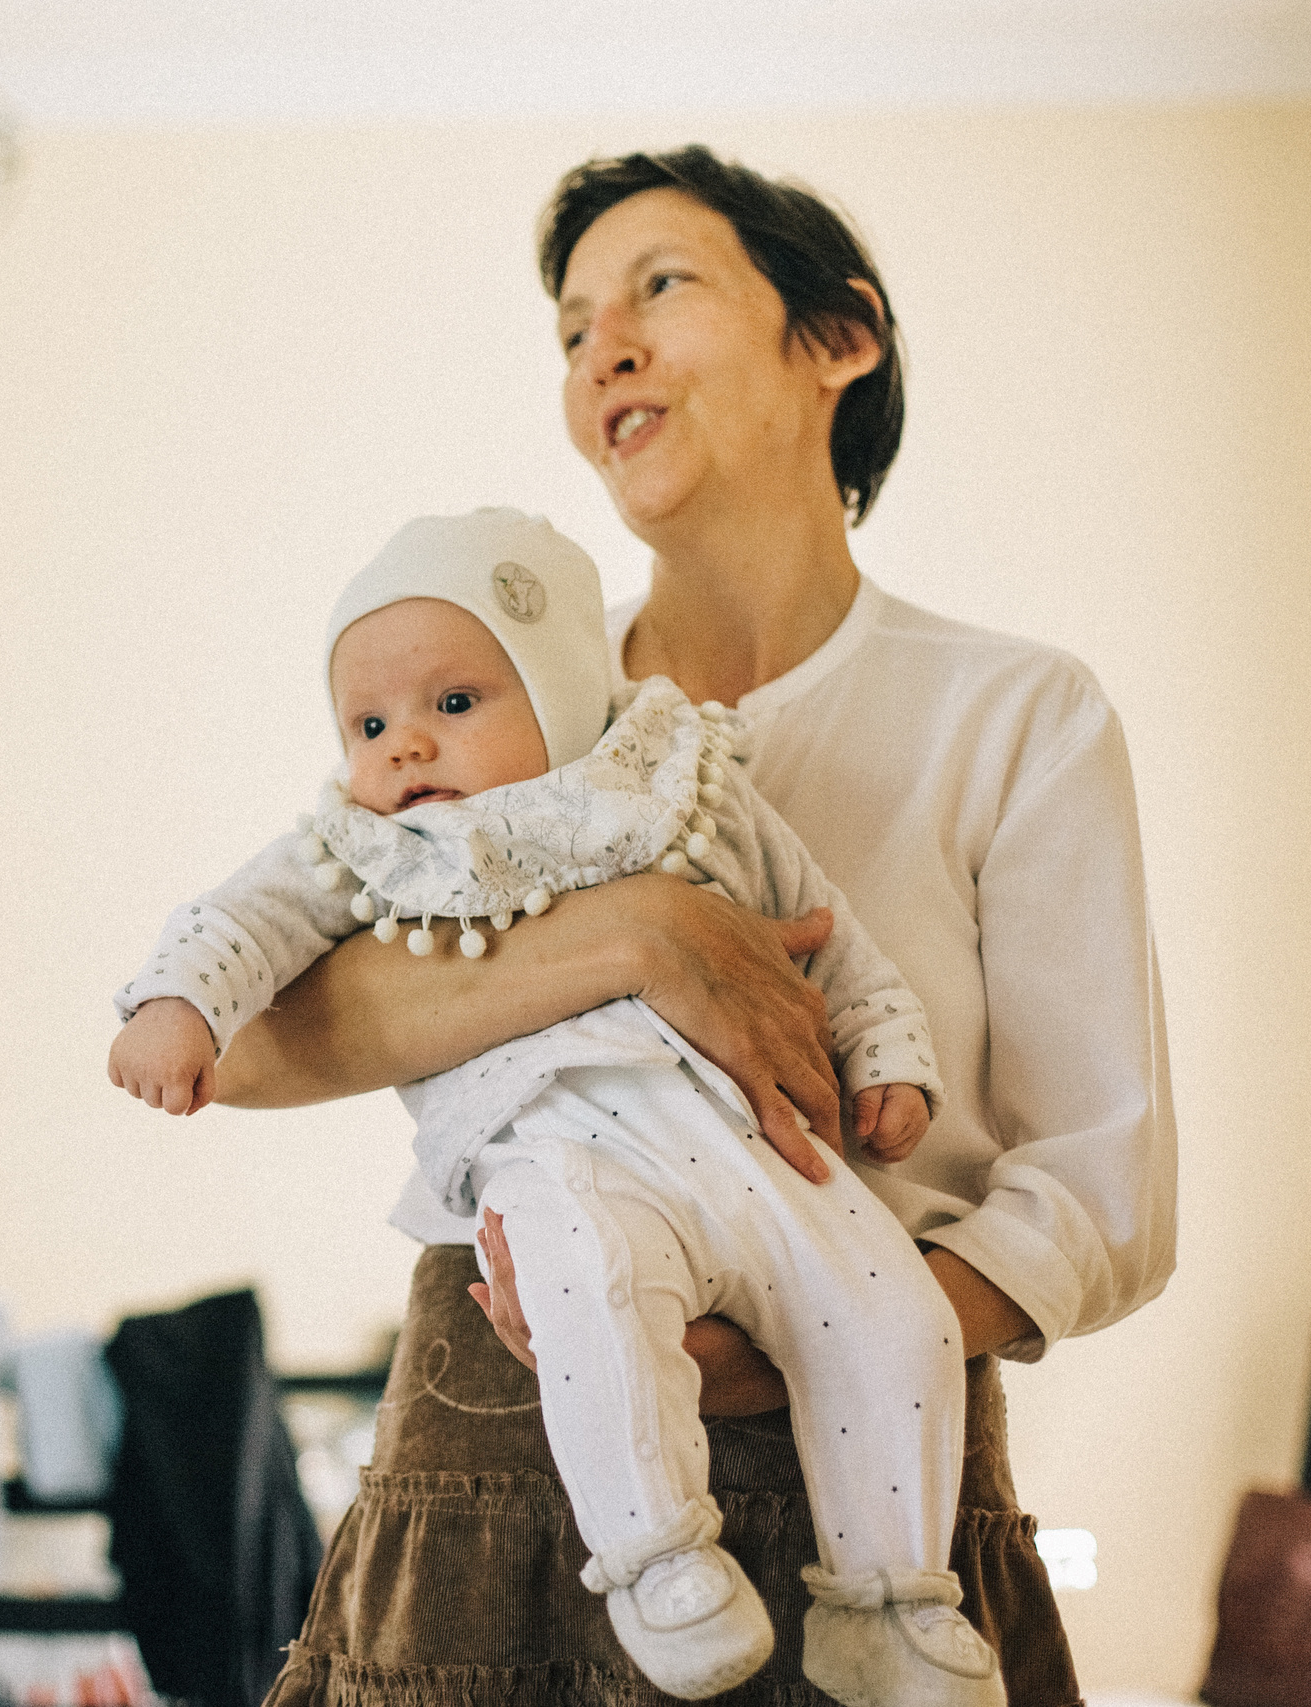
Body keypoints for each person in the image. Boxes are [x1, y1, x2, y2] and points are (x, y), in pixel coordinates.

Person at [201, 147, 1176, 1707]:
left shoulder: (1015, 714)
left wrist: (805, 1348)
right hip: (492, 1436)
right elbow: (246, 1037)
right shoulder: (479, 707)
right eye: (575, 329)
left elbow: (1102, 1194)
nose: (605, 351)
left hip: (882, 1478)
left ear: (840, 336)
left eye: (661, 285)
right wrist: (638, 938)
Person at [110, 507, 991, 1702]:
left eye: (453, 704)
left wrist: (888, 1057)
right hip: (558, 1149)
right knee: (589, 1294)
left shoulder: (683, 789)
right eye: (367, 725)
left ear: (564, 692)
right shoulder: (371, 849)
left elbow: (829, 936)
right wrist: (178, 1004)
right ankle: (656, 1559)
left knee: (892, 1316)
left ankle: (886, 1601)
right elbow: (243, 922)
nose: (404, 747)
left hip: (760, 1146)